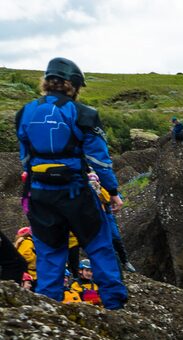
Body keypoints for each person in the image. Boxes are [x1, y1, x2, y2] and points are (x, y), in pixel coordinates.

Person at [15, 57, 127, 310]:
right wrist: (113, 192)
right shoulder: (84, 114)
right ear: (73, 85)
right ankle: (115, 306)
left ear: (47, 82)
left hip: (41, 196)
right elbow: (100, 160)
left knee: (50, 254)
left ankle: (49, 309)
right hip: (76, 193)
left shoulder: (25, 112)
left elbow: (25, 158)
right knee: (99, 246)